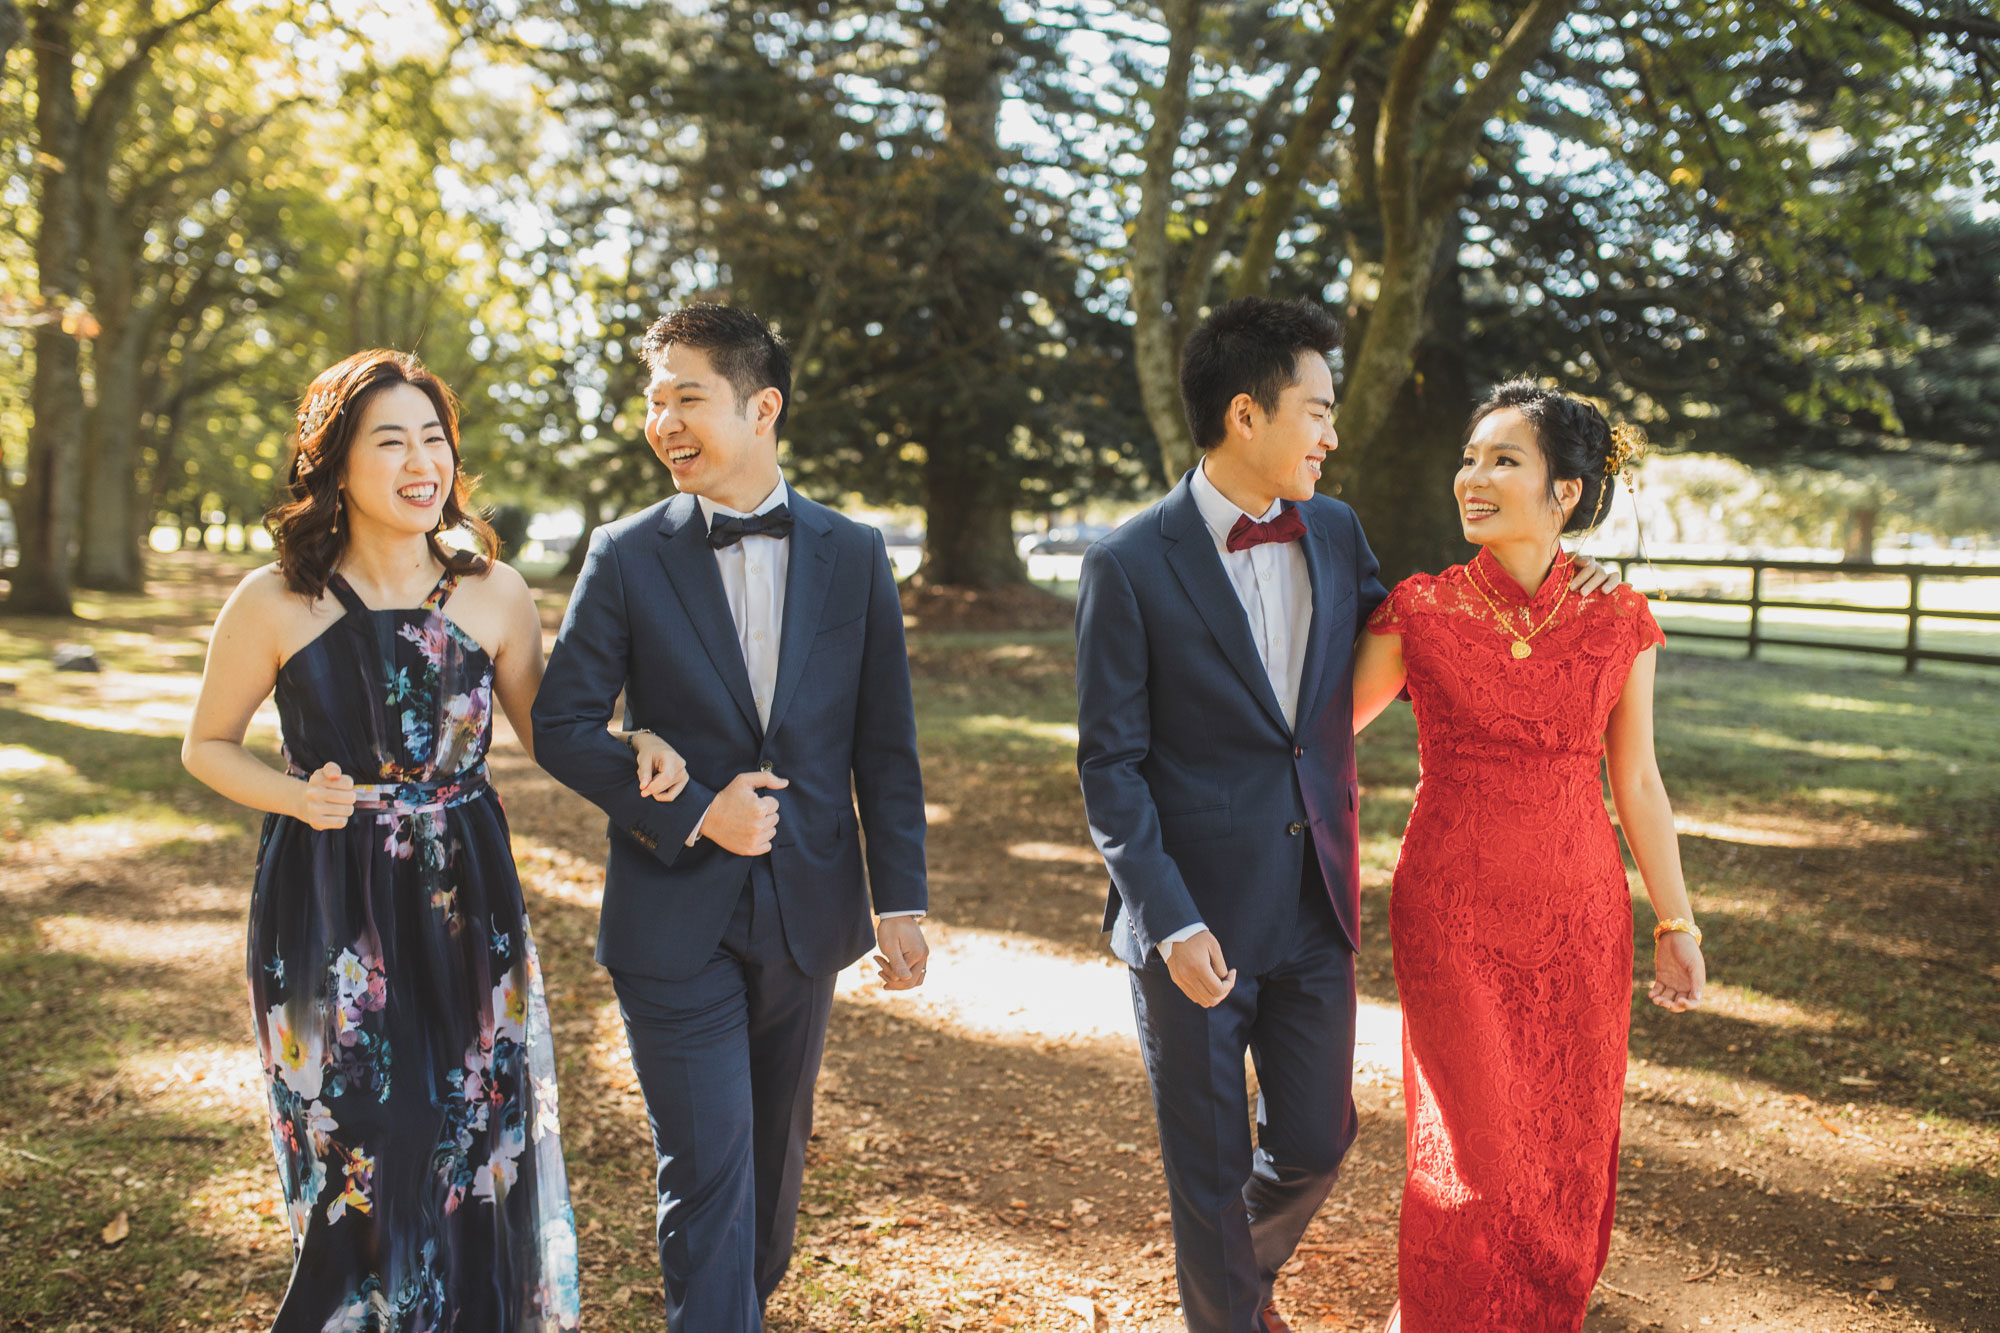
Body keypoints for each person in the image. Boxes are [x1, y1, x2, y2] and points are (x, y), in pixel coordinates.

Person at [183, 350, 664, 1329]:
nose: (420, 459)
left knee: (467, 1132)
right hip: (322, 897)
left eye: (433, 438)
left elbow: (554, 734)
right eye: (389, 438)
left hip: (462, 893)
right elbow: (206, 748)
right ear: (336, 463)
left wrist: (641, 736)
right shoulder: (274, 600)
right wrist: (290, 794)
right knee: (356, 1137)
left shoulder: (495, 593)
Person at [531, 303, 931, 1332]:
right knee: (707, 1165)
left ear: (761, 407)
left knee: (768, 1177)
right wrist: (695, 812)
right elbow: (563, 723)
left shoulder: (852, 552)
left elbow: (883, 743)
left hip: (808, 912)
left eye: (685, 397)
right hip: (671, 917)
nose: (660, 420)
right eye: (651, 399)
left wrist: (902, 900)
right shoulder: (625, 553)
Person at [1352, 381, 1707, 1332]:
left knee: (1565, 1145)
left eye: (1504, 459)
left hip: (1580, 921)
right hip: (1452, 911)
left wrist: (1676, 920)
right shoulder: (1418, 612)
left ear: (1568, 492)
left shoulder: (1620, 617)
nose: (1473, 476)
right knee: (1477, 1152)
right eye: (1470, 457)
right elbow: (1321, 735)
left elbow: (1638, 783)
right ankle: (1435, 1315)